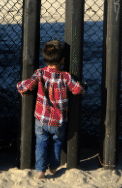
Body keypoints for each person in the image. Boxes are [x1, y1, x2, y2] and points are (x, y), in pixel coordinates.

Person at [17, 39, 84, 179]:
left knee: (41, 143)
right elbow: (77, 90)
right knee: (57, 143)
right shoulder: (66, 77)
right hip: (58, 121)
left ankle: (40, 170)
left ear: (45, 59)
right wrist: (83, 87)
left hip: (41, 119)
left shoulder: (39, 73)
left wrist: (20, 87)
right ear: (63, 60)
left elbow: (27, 85)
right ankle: (53, 167)